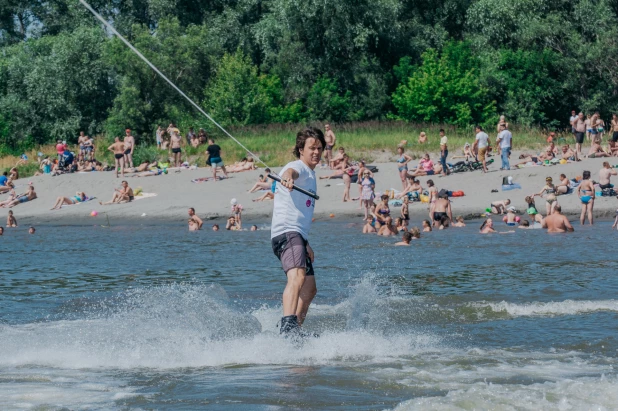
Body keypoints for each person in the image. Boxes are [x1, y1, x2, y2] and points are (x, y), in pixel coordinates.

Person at [271, 127, 324, 337]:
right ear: (301, 149)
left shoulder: (311, 175)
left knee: (310, 288)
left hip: (297, 236)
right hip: (286, 233)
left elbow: (299, 212)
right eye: (312, 148)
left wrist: (305, 242)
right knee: (298, 276)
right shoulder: (297, 166)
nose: (316, 152)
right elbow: (290, 172)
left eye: (319, 148)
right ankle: (288, 328)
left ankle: (296, 331)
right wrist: (286, 177)